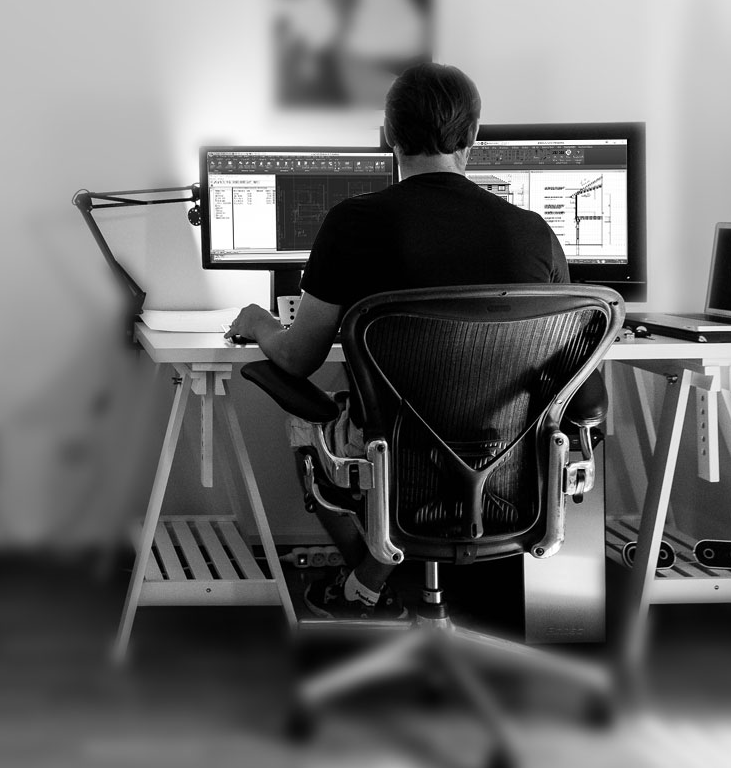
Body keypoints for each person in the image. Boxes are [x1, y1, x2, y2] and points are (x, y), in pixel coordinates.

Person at [225, 62, 570, 620]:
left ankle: (368, 582)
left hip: (394, 460)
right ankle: (375, 581)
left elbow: (297, 358)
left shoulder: (353, 224)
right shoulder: (534, 232)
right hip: (511, 464)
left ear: (388, 134)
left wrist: (260, 322)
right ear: (474, 135)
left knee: (306, 421)